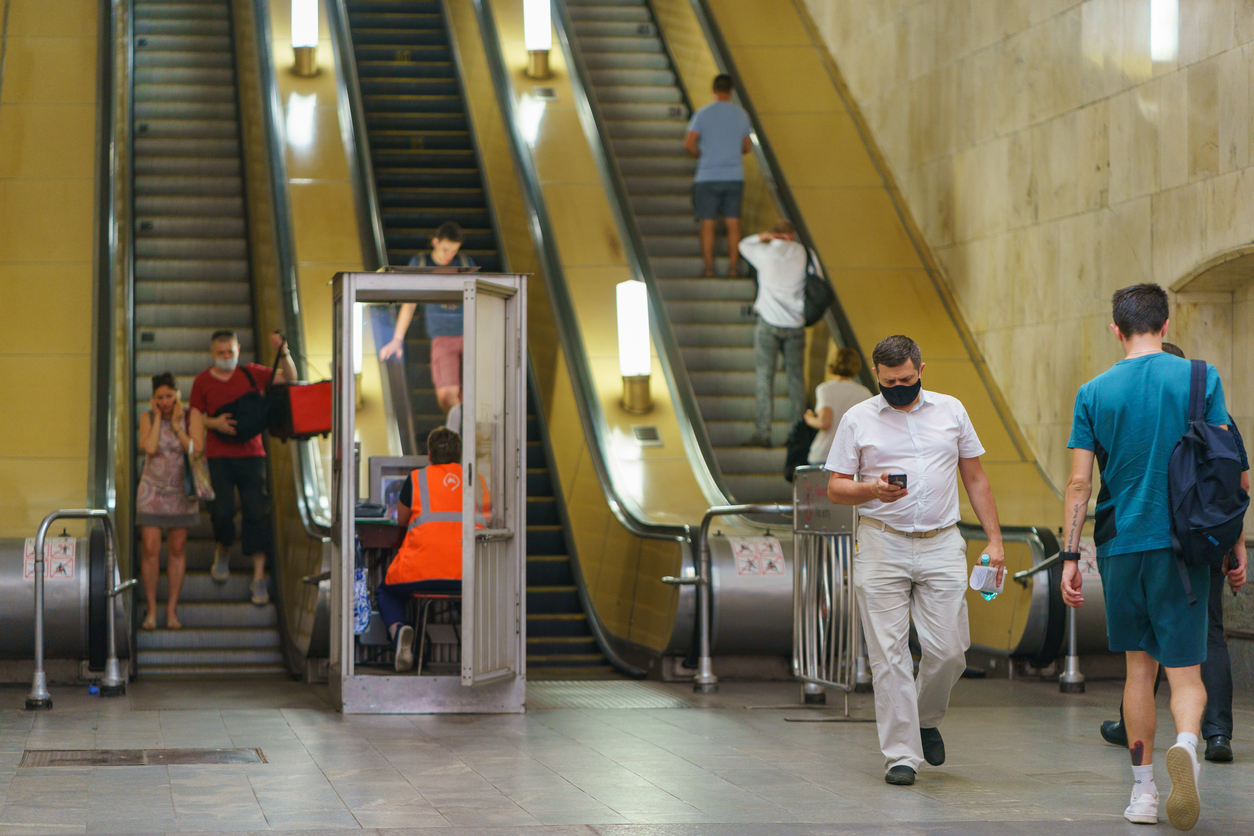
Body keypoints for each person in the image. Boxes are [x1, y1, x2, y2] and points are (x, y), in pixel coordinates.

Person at [1061, 284, 1248, 830]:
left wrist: (1072, 554)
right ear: (1165, 325)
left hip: (1120, 546)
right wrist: (1235, 543)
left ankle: (1143, 793)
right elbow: (1225, 467)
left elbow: (1079, 484)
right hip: (1183, 547)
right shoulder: (1199, 377)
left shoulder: (1092, 391)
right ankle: (1187, 746)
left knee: (1137, 673)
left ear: (1116, 331)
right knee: (1186, 676)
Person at [824, 335, 1004, 786]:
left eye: (905, 379)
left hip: (942, 541)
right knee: (889, 655)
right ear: (877, 377)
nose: (897, 387)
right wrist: (872, 489)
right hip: (881, 542)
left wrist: (995, 541)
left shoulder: (952, 411)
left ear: (921, 371)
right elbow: (835, 487)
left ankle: (923, 720)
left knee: (949, 651)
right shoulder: (857, 418)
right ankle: (901, 756)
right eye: (888, 382)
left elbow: (976, 479)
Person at [1098, 342, 1249, 766]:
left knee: (1140, 662)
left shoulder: (1113, 403)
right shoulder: (1211, 406)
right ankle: (1210, 734)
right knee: (1208, 638)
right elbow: (1238, 484)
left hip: (1135, 542)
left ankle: (1141, 778)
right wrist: (1236, 546)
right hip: (1203, 540)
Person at [189, 329, 296, 606]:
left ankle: (259, 577)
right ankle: (223, 547)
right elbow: (196, 417)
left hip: (253, 454)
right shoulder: (202, 382)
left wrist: (283, 352)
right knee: (221, 511)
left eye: (230, 352)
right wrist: (215, 424)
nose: (226, 357)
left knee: (257, 512)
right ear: (212, 353)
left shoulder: (251, 373)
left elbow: (290, 378)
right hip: (218, 455)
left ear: (238, 350)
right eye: (221, 353)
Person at [378, 428, 489, 672]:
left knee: (387, 592)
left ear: (429, 455)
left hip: (421, 572)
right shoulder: (477, 481)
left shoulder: (417, 478)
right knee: (468, 599)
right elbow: (487, 520)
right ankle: (476, 649)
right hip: (467, 573)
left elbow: (402, 520)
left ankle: (400, 632)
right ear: (460, 456)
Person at [378, 221, 475, 422]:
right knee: (447, 397)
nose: (448, 255)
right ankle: (460, 437)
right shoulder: (421, 263)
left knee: (474, 396)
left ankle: (470, 439)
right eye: (445, 249)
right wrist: (397, 339)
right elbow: (410, 302)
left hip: (471, 335)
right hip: (442, 337)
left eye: (453, 251)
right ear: (435, 242)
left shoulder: (465, 262)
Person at [136, 372, 204, 630]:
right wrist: (157, 420)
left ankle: (172, 610)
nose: (165, 402)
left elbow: (195, 449)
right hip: (151, 492)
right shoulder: (147, 417)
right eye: (159, 397)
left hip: (181, 493)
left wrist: (176, 425)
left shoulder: (191, 416)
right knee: (150, 549)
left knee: (177, 548)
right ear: (153, 399)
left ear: (178, 395)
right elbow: (150, 448)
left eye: (169, 396)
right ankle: (152, 610)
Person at [739, 219, 811, 448]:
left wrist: (763, 237)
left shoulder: (764, 253)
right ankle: (795, 434)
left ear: (774, 235)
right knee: (796, 380)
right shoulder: (801, 252)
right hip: (796, 324)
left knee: (764, 377)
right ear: (791, 236)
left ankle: (763, 433)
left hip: (768, 323)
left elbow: (743, 245)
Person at [684, 73, 752, 277]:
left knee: (708, 223)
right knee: (733, 223)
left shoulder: (702, 114)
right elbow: (747, 147)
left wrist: (701, 154)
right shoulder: (742, 115)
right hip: (734, 176)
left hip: (707, 176)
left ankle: (709, 267)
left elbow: (689, 143)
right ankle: (733, 268)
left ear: (713, 90)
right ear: (731, 91)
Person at [805, 347, 873, 464]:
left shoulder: (825, 389)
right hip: (852, 455)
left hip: (825, 454)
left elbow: (825, 422)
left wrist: (809, 418)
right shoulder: (865, 393)